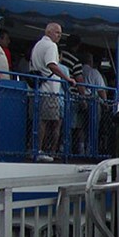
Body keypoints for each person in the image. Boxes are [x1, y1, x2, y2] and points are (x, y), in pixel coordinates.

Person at [30, 22, 76, 162]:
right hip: (49, 90)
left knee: (42, 120)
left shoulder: (38, 44)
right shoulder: (51, 46)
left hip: (39, 88)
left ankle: (37, 149)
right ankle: (41, 151)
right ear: (49, 32)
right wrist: (67, 78)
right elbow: (51, 64)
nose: (59, 36)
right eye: (57, 33)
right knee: (48, 122)